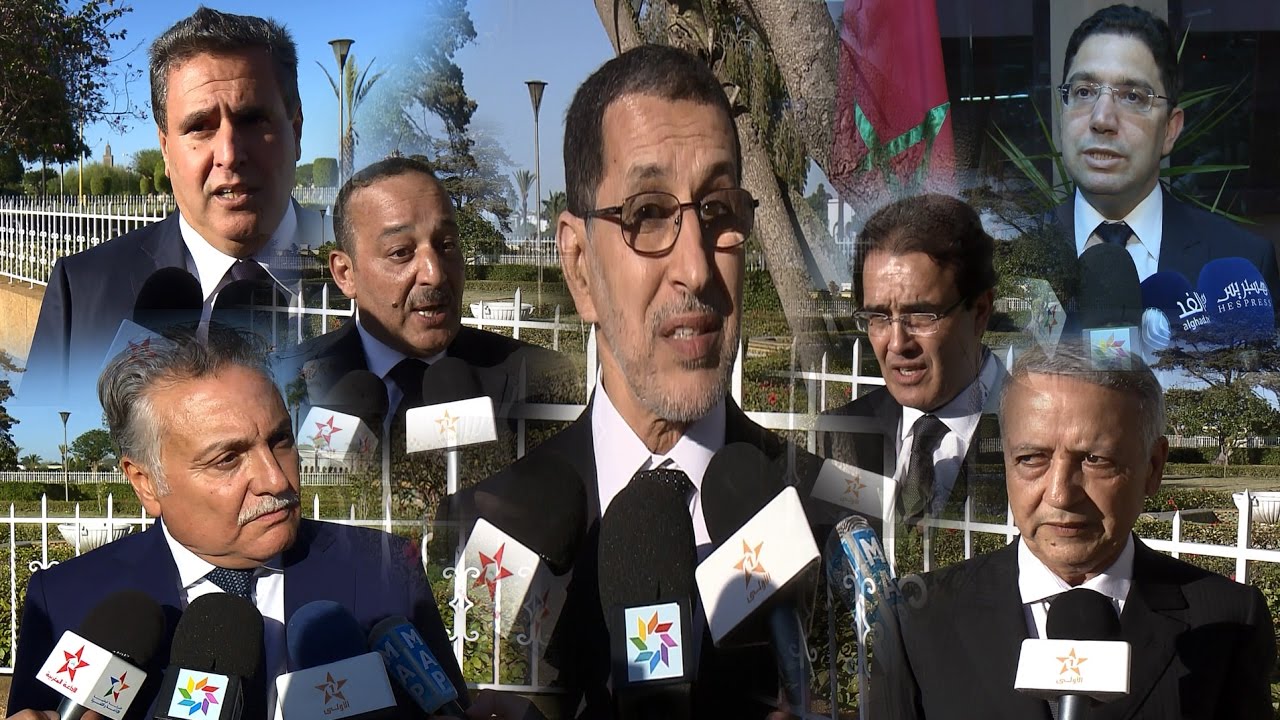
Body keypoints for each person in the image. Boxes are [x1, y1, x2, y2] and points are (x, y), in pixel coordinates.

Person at [446, 44, 822, 719]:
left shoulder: (831, 525)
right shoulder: (484, 533)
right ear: (579, 266)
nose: (697, 269)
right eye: (647, 214)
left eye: (718, 210)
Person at [6, 326, 463, 720]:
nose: (275, 480)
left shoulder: (385, 570)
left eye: (280, 441)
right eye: (227, 459)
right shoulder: (68, 602)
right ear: (146, 483)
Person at [871, 343, 1275, 719]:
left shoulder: (1230, 621)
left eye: (1096, 460)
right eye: (1032, 458)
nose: (1061, 494)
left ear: (1153, 467)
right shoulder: (916, 620)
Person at [23, 7, 330, 404]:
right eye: (200, 126)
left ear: (296, 131)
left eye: (253, 120)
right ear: (166, 150)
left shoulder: (374, 274)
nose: (229, 154)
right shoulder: (80, 293)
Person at [281, 156, 573, 427]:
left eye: (447, 245)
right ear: (345, 273)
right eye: (401, 252)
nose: (435, 275)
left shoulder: (538, 380)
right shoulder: (284, 380)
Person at [821, 195, 1006, 562]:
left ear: (980, 311)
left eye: (921, 315)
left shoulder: (1039, 437)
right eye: (878, 317)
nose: (897, 343)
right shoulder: (843, 434)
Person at [1051, 4, 1277, 289]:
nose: (1102, 119)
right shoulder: (1005, 260)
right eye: (1084, 92)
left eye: (1132, 97)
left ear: (1170, 129)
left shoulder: (1244, 263)